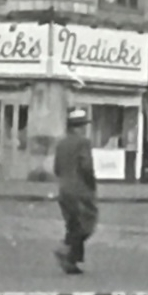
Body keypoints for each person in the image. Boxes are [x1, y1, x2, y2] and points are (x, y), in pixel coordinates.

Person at [53, 107, 98, 275]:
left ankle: (71, 262)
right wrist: (91, 184)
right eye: (82, 125)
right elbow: (86, 166)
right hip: (80, 190)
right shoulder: (83, 142)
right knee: (87, 224)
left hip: (64, 189)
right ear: (78, 127)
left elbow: (56, 168)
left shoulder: (61, 143)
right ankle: (64, 250)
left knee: (72, 224)